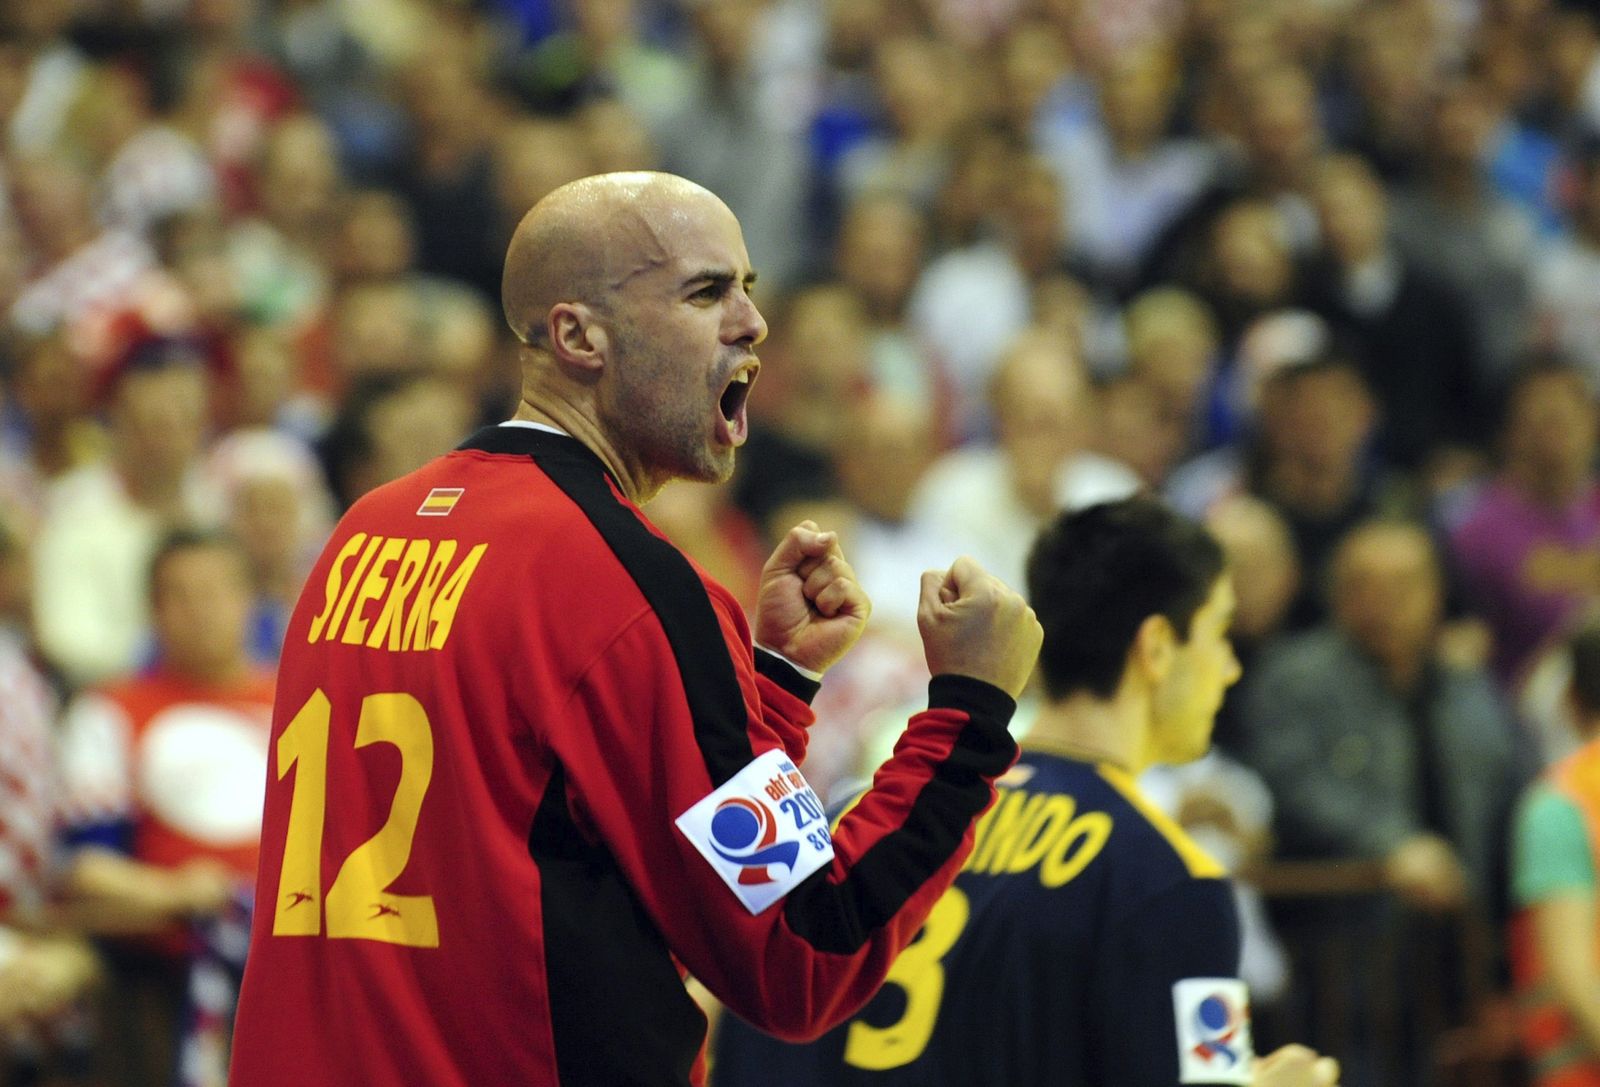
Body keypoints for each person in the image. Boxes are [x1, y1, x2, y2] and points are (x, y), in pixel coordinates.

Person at [230, 171, 1043, 1087]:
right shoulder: (619, 580)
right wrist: (969, 714)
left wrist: (764, 682)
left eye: (748, 287)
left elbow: (558, 806)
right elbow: (804, 943)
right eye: (706, 292)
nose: (752, 322)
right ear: (579, 336)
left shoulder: (366, 528)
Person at [713, 497, 1339, 1087]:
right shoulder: (1173, 881)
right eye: (1218, 633)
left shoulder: (864, 814)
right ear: (1156, 648)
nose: (1229, 667)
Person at [55, 528, 273, 1087]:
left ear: (249, 600)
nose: (200, 611)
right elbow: (86, 872)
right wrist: (178, 893)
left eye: (216, 592)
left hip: (295, 946)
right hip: (172, 961)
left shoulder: (301, 701)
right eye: (180, 595)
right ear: (153, 610)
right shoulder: (111, 712)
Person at [1511, 621, 1600, 1086]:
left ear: (1568, 702)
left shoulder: (1558, 804)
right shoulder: (1567, 805)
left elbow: (1572, 977)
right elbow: (1573, 979)